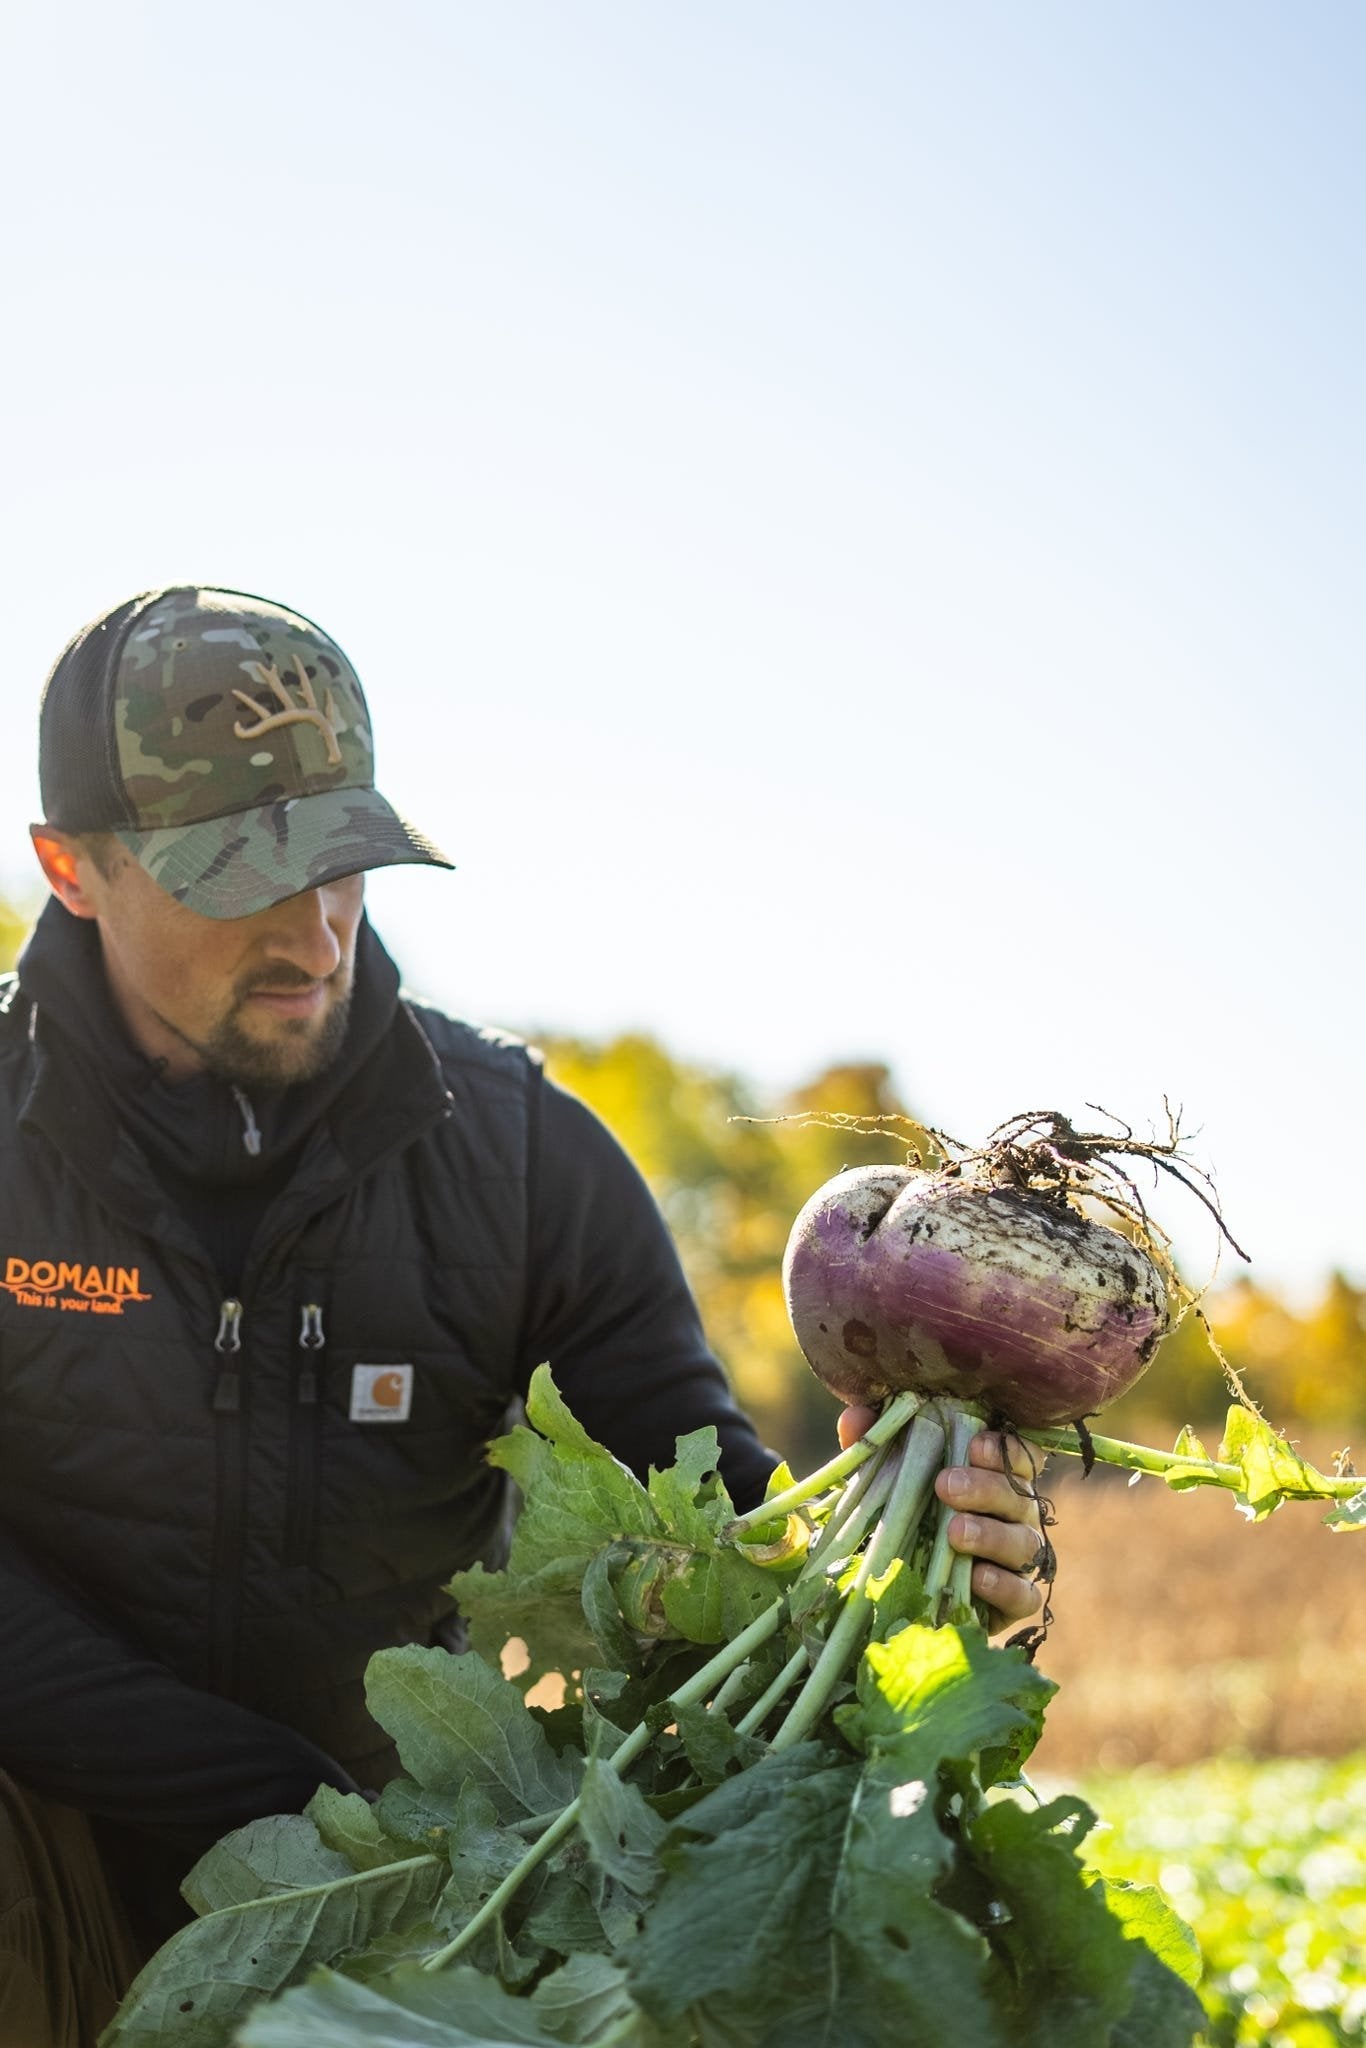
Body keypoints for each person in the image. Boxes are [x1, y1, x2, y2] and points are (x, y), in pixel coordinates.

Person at [0, 586, 1044, 2045]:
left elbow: (716, 1522)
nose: (316, 934)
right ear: (74, 868)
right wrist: (275, 1815)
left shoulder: (522, 1157)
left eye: (347, 865)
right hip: (57, 1857)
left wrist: (919, 1572)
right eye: (243, 877)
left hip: (407, 1885)